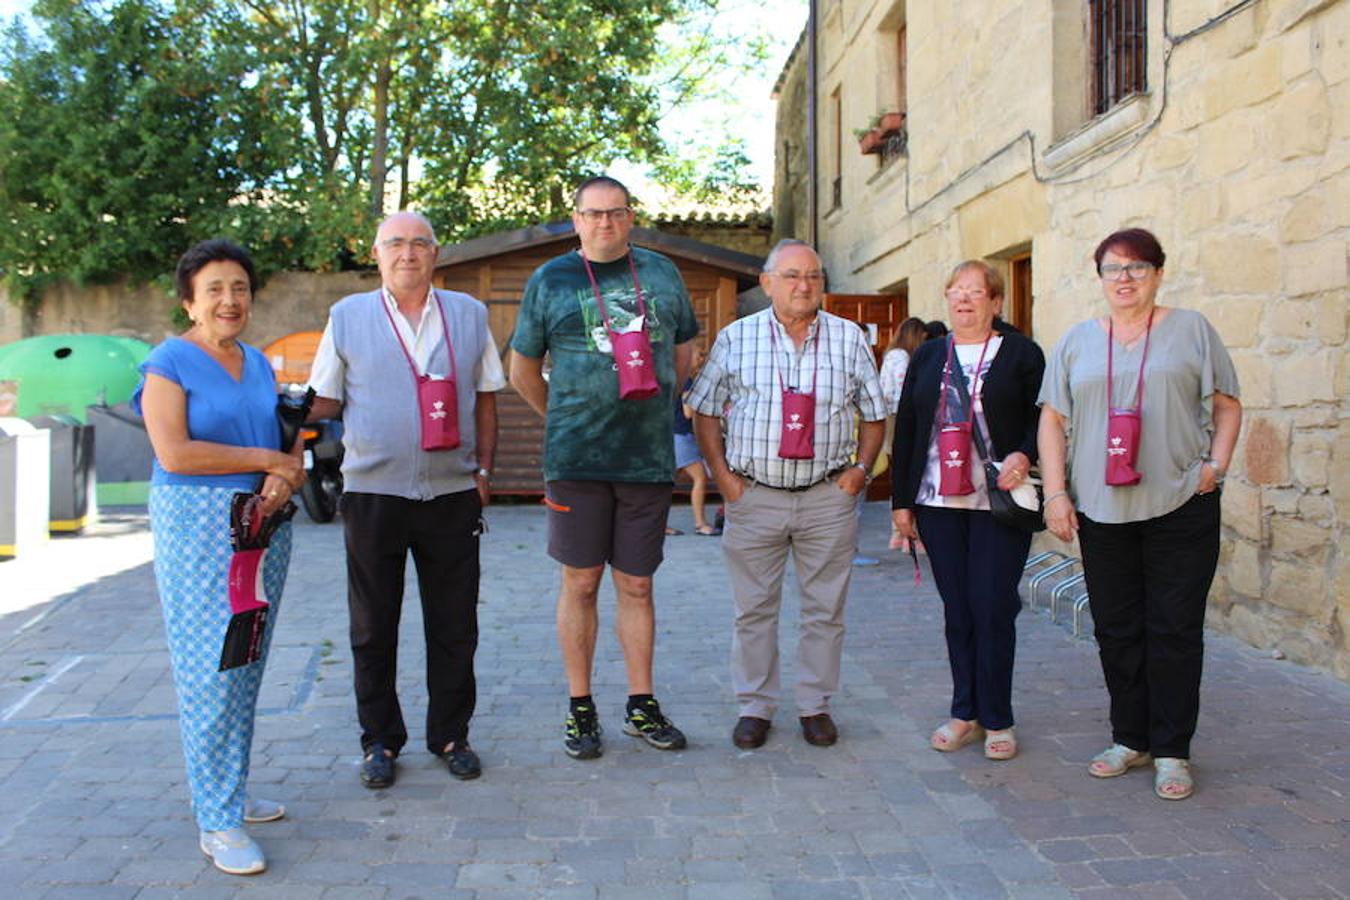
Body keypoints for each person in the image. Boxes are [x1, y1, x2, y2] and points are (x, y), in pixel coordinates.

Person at [1038, 228, 1240, 800]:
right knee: (1117, 629)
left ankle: (1173, 749)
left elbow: (1227, 405)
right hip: (1102, 509)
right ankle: (1131, 738)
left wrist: (1215, 466)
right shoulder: (1078, 340)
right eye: (1113, 268)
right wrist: (1056, 494)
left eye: (1137, 267)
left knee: (1174, 630)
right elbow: (1053, 420)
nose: (1124, 277)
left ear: (1157, 273)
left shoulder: (1191, 330)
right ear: (1099, 277)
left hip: (1182, 503)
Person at [308, 211, 504, 789]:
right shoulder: (346, 317)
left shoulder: (469, 314)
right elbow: (323, 398)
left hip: (451, 494)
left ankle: (451, 735)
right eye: (396, 243)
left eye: (420, 244)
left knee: (454, 625)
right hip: (373, 495)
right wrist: (272, 420)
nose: (408, 253)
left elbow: (487, 396)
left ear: (436, 255)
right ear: (378, 254)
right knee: (373, 627)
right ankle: (379, 741)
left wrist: (485, 469)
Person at [509, 175, 700, 760]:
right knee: (582, 581)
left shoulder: (662, 273)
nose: (604, 224)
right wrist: (566, 417)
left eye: (615, 213)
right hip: (577, 461)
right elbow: (521, 370)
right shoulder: (550, 280)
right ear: (576, 220)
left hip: (644, 459)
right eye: (593, 214)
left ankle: (641, 704)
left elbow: (684, 353)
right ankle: (580, 707)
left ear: (630, 217)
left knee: (637, 585)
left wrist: (660, 404)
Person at [135, 239, 306, 875]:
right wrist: (270, 462)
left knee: (245, 660)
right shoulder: (168, 363)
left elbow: (275, 443)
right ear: (189, 300)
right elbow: (175, 454)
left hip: (261, 526)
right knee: (209, 670)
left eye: (239, 288)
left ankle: (227, 789)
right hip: (198, 529)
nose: (230, 300)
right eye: (215, 290)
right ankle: (216, 820)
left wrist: (284, 477)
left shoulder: (257, 362)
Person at [689, 239, 887, 750]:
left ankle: (815, 705)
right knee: (753, 609)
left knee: (826, 609)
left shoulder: (849, 338)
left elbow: (875, 414)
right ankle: (754, 706)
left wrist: (860, 472)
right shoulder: (736, 339)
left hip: (827, 496)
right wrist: (723, 479)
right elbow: (705, 410)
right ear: (768, 282)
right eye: (793, 275)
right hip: (754, 495)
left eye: (815, 277)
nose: (805, 286)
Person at [891, 260, 1045, 762]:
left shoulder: (1021, 353)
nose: (964, 299)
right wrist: (901, 503)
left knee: (993, 605)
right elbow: (909, 427)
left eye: (976, 291)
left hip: (997, 502)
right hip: (938, 501)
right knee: (957, 609)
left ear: (996, 302)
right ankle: (965, 713)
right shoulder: (931, 353)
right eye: (956, 290)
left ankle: (997, 716)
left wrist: (1025, 453)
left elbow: (1043, 418)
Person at [879, 317, 928, 550]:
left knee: (902, 474)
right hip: (899, 419)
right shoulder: (900, 357)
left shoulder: (893, 354)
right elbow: (901, 393)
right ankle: (904, 534)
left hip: (894, 417)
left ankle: (901, 534)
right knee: (905, 474)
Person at [672, 347, 719, 536]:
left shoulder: (678, 379)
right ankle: (701, 524)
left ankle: (659, 526)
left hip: (676, 434)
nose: (702, 359)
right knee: (700, 478)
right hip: (682, 435)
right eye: (699, 355)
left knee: (665, 484)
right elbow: (688, 412)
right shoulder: (687, 382)